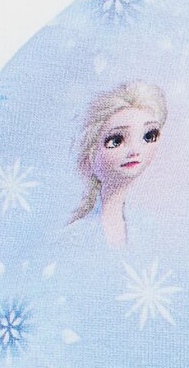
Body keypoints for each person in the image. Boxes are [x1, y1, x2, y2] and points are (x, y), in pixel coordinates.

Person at [67, 81, 168, 246]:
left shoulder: (147, 226)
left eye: (148, 136)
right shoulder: (75, 237)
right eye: (116, 140)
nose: (135, 151)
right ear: (88, 157)